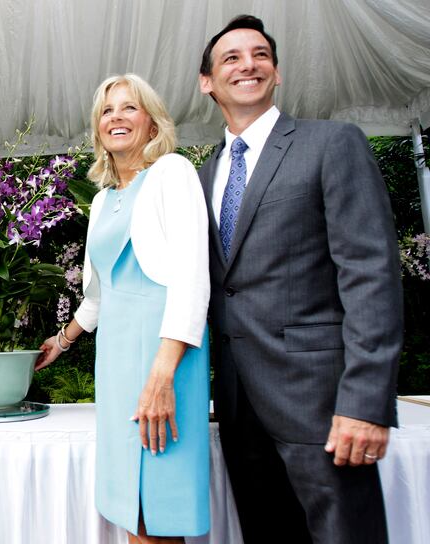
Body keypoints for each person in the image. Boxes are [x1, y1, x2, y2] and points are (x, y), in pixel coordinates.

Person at [196, 15, 403, 544]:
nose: (248, 64)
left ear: (277, 72)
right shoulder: (205, 172)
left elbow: (370, 276)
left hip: (322, 403)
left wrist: (363, 401)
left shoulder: (332, 144)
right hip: (240, 406)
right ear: (207, 82)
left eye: (260, 54)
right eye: (232, 58)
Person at [36, 74, 210, 543]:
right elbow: (100, 294)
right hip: (114, 359)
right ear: (98, 129)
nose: (117, 117)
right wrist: (62, 340)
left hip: (165, 353)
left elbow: (194, 281)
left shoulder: (173, 172)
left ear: (152, 124)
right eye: (108, 110)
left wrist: (162, 373)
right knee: (131, 509)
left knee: (160, 503)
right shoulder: (101, 201)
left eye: (130, 108)